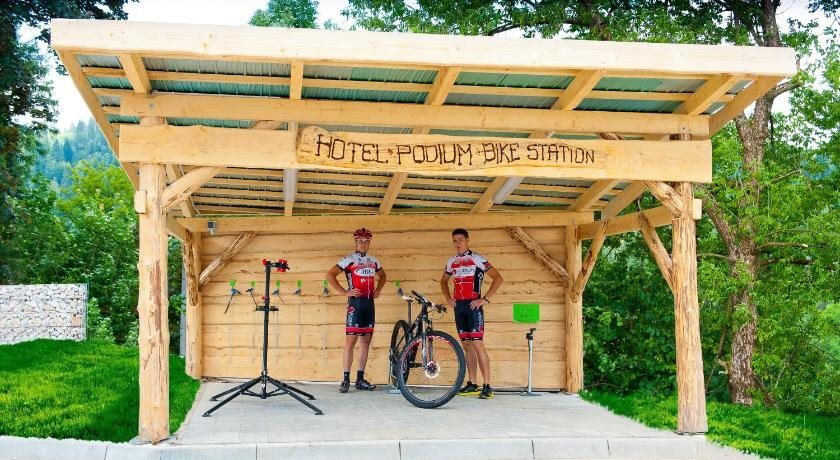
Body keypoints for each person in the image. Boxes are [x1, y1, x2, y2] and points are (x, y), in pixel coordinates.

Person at [440, 228, 503, 400]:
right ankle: (472, 383)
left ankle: (487, 386)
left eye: (460, 240)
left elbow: (498, 278)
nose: (457, 243)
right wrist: (448, 298)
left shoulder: (477, 258)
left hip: (474, 306)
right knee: (467, 345)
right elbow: (443, 281)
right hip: (459, 307)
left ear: (467, 240)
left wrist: (485, 299)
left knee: (477, 344)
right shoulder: (451, 261)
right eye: (455, 240)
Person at [326, 227, 387, 393]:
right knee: (351, 341)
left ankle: (360, 379)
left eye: (366, 241)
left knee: (365, 341)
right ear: (355, 242)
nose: (363, 244)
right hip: (355, 303)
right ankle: (346, 379)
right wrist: (344, 292)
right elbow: (330, 275)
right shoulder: (349, 259)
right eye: (360, 241)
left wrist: (378, 290)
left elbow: (383, 276)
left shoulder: (374, 261)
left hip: (369, 304)